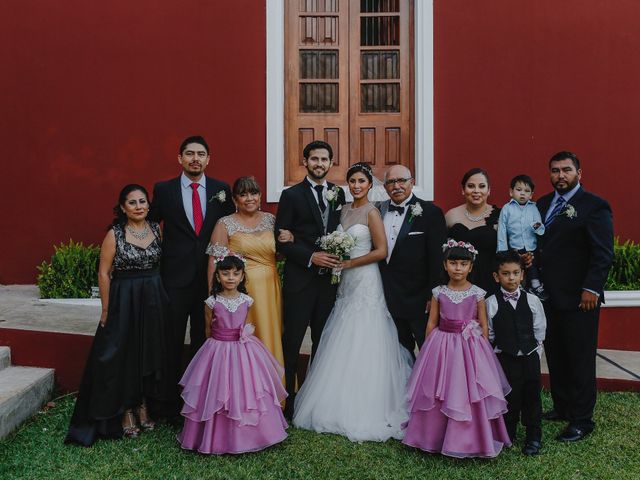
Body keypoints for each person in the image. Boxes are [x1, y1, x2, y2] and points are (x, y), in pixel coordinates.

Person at [292, 163, 413, 442]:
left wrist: (349, 262)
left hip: (366, 279)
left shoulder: (372, 212)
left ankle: (370, 401)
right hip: (344, 281)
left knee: (365, 330)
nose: (356, 185)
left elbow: (381, 251)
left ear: (370, 184)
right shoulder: (342, 210)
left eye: (361, 181)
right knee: (343, 329)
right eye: (352, 181)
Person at [66, 184, 169, 446]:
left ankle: (143, 405)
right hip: (125, 298)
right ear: (123, 207)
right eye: (132, 203)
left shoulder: (157, 229)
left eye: (142, 201)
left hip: (153, 298)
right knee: (123, 353)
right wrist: (105, 309)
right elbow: (104, 273)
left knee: (149, 351)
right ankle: (125, 409)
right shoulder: (115, 234)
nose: (139, 207)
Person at [149, 135, 234, 418]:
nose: (195, 158)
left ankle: (199, 403)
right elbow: (150, 225)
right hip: (174, 279)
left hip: (211, 280)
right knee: (170, 340)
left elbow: (230, 228)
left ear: (209, 159)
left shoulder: (222, 190)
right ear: (180, 158)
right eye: (189, 153)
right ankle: (167, 404)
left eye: (200, 154)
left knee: (205, 340)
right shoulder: (164, 190)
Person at [403, 239, 511, 458]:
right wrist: (427, 350)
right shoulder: (438, 292)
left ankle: (470, 439)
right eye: (453, 263)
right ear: (445, 265)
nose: (458, 268)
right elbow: (431, 323)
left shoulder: (478, 294)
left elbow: (483, 325)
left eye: (463, 264)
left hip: (470, 348)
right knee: (439, 391)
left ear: (471, 266)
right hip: (441, 346)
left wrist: (482, 352)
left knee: (468, 391)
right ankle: (432, 436)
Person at [536, 151, 613, 442]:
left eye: (566, 170)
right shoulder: (542, 204)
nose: (560, 175)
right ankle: (563, 406)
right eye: (555, 170)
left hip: (581, 297)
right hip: (549, 296)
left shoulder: (594, 206)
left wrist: (591, 288)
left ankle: (582, 419)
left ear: (579, 173)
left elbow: (603, 253)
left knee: (580, 357)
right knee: (556, 353)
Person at [177, 252, 287, 454]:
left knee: (245, 388)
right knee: (216, 390)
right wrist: (217, 344)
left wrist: (242, 338)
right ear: (217, 276)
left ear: (242, 276)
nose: (230, 278)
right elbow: (208, 329)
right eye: (225, 273)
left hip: (243, 351)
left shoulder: (247, 300)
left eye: (236, 274)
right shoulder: (211, 301)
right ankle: (213, 437)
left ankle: (252, 435)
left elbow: (244, 324)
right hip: (217, 349)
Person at [274, 140, 346, 420]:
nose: (319, 164)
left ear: (331, 163)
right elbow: (282, 240)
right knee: (291, 343)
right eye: (314, 159)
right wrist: (310, 256)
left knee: (322, 342)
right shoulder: (291, 195)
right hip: (300, 281)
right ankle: (288, 403)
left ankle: (312, 401)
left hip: (328, 284)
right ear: (305, 162)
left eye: (324, 159)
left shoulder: (339, 194)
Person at [207, 176, 284, 366]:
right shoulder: (224, 224)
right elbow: (214, 263)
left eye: (254, 193)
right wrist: (214, 296)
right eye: (243, 194)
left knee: (269, 332)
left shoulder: (271, 220)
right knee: (245, 336)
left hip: (270, 288)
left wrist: (289, 238)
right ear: (234, 200)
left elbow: (281, 254)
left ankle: (270, 389)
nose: (249, 198)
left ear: (260, 196)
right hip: (240, 292)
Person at [378, 164, 447, 355]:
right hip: (387, 297)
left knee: (428, 351)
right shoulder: (378, 211)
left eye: (401, 180)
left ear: (412, 183)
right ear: (385, 187)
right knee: (398, 354)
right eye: (391, 182)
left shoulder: (431, 213)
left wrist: (432, 296)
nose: (396, 186)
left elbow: (437, 258)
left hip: (419, 299)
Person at [486, 250, 546, 455]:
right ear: (496, 276)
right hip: (505, 359)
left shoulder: (532, 301)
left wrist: (534, 354)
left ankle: (533, 436)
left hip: (529, 357)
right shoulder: (491, 303)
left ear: (522, 275)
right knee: (509, 397)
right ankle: (507, 434)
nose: (511, 278)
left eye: (515, 273)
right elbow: (490, 334)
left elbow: (539, 330)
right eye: (506, 273)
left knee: (532, 397)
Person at [446, 168, 500, 294]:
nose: (476, 191)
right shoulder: (451, 215)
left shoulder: (499, 216)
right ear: (463, 190)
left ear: (489, 190)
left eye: (482, 186)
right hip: (457, 284)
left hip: (490, 283)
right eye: (471, 186)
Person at [497, 175, 547, 300]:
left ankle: (535, 286)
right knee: (516, 266)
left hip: (531, 246)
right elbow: (502, 230)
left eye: (527, 191)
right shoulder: (507, 209)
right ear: (511, 192)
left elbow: (540, 228)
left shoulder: (533, 208)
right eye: (519, 190)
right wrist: (502, 250)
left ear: (531, 195)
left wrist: (537, 226)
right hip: (515, 247)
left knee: (532, 265)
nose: (523, 194)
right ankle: (517, 286)